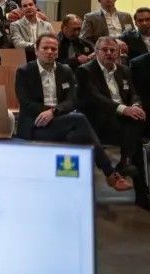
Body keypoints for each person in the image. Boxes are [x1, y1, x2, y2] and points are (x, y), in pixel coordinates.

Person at [15, 34, 134, 192]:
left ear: (58, 52)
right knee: (79, 122)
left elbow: (72, 100)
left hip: (60, 121)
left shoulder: (65, 70)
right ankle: (109, 173)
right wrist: (50, 112)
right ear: (36, 51)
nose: (50, 52)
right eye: (45, 48)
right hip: (35, 125)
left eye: (54, 49)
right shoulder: (24, 71)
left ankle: (70, 188)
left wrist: (54, 112)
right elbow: (26, 103)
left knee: (77, 135)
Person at [76, 36, 149, 210]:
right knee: (134, 135)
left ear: (118, 52)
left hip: (124, 120)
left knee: (138, 121)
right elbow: (95, 98)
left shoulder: (124, 70)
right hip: (98, 119)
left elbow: (133, 93)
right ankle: (130, 171)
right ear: (96, 52)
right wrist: (124, 109)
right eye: (104, 50)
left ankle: (126, 165)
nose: (109, 53)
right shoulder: (85, 70)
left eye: (112, 50)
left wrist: (136, 105)